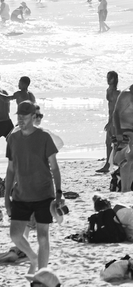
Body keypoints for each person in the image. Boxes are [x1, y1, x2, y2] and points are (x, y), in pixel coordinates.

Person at [4, 100, 62, 275]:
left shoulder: (44, 137)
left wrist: (59, 193)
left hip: (44, 194)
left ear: (33, 116)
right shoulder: (12, 138)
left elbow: (55, 167)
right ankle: (33, 258)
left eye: (25, 116)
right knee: (15, 235)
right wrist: (6, 197)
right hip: (21, 194)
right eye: (19, 116)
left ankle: (42, 274)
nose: (21, 119)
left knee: (43, 236)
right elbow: (10, 169)